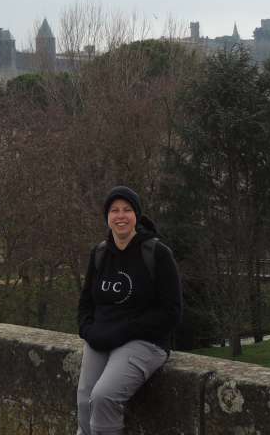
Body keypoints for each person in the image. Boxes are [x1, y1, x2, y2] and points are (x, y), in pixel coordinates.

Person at [75, 186, 182, 435]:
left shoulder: (157, 253)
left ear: (137, 216)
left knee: (103, 397)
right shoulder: (100, 254)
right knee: (84, 401)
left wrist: (123, 332)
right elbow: (85, 304)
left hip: (145, 341)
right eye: (114, 210)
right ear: (107, 216)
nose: (120, 216)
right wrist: (88, 331)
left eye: (127, 210)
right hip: (102, 338)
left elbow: (172, 312)